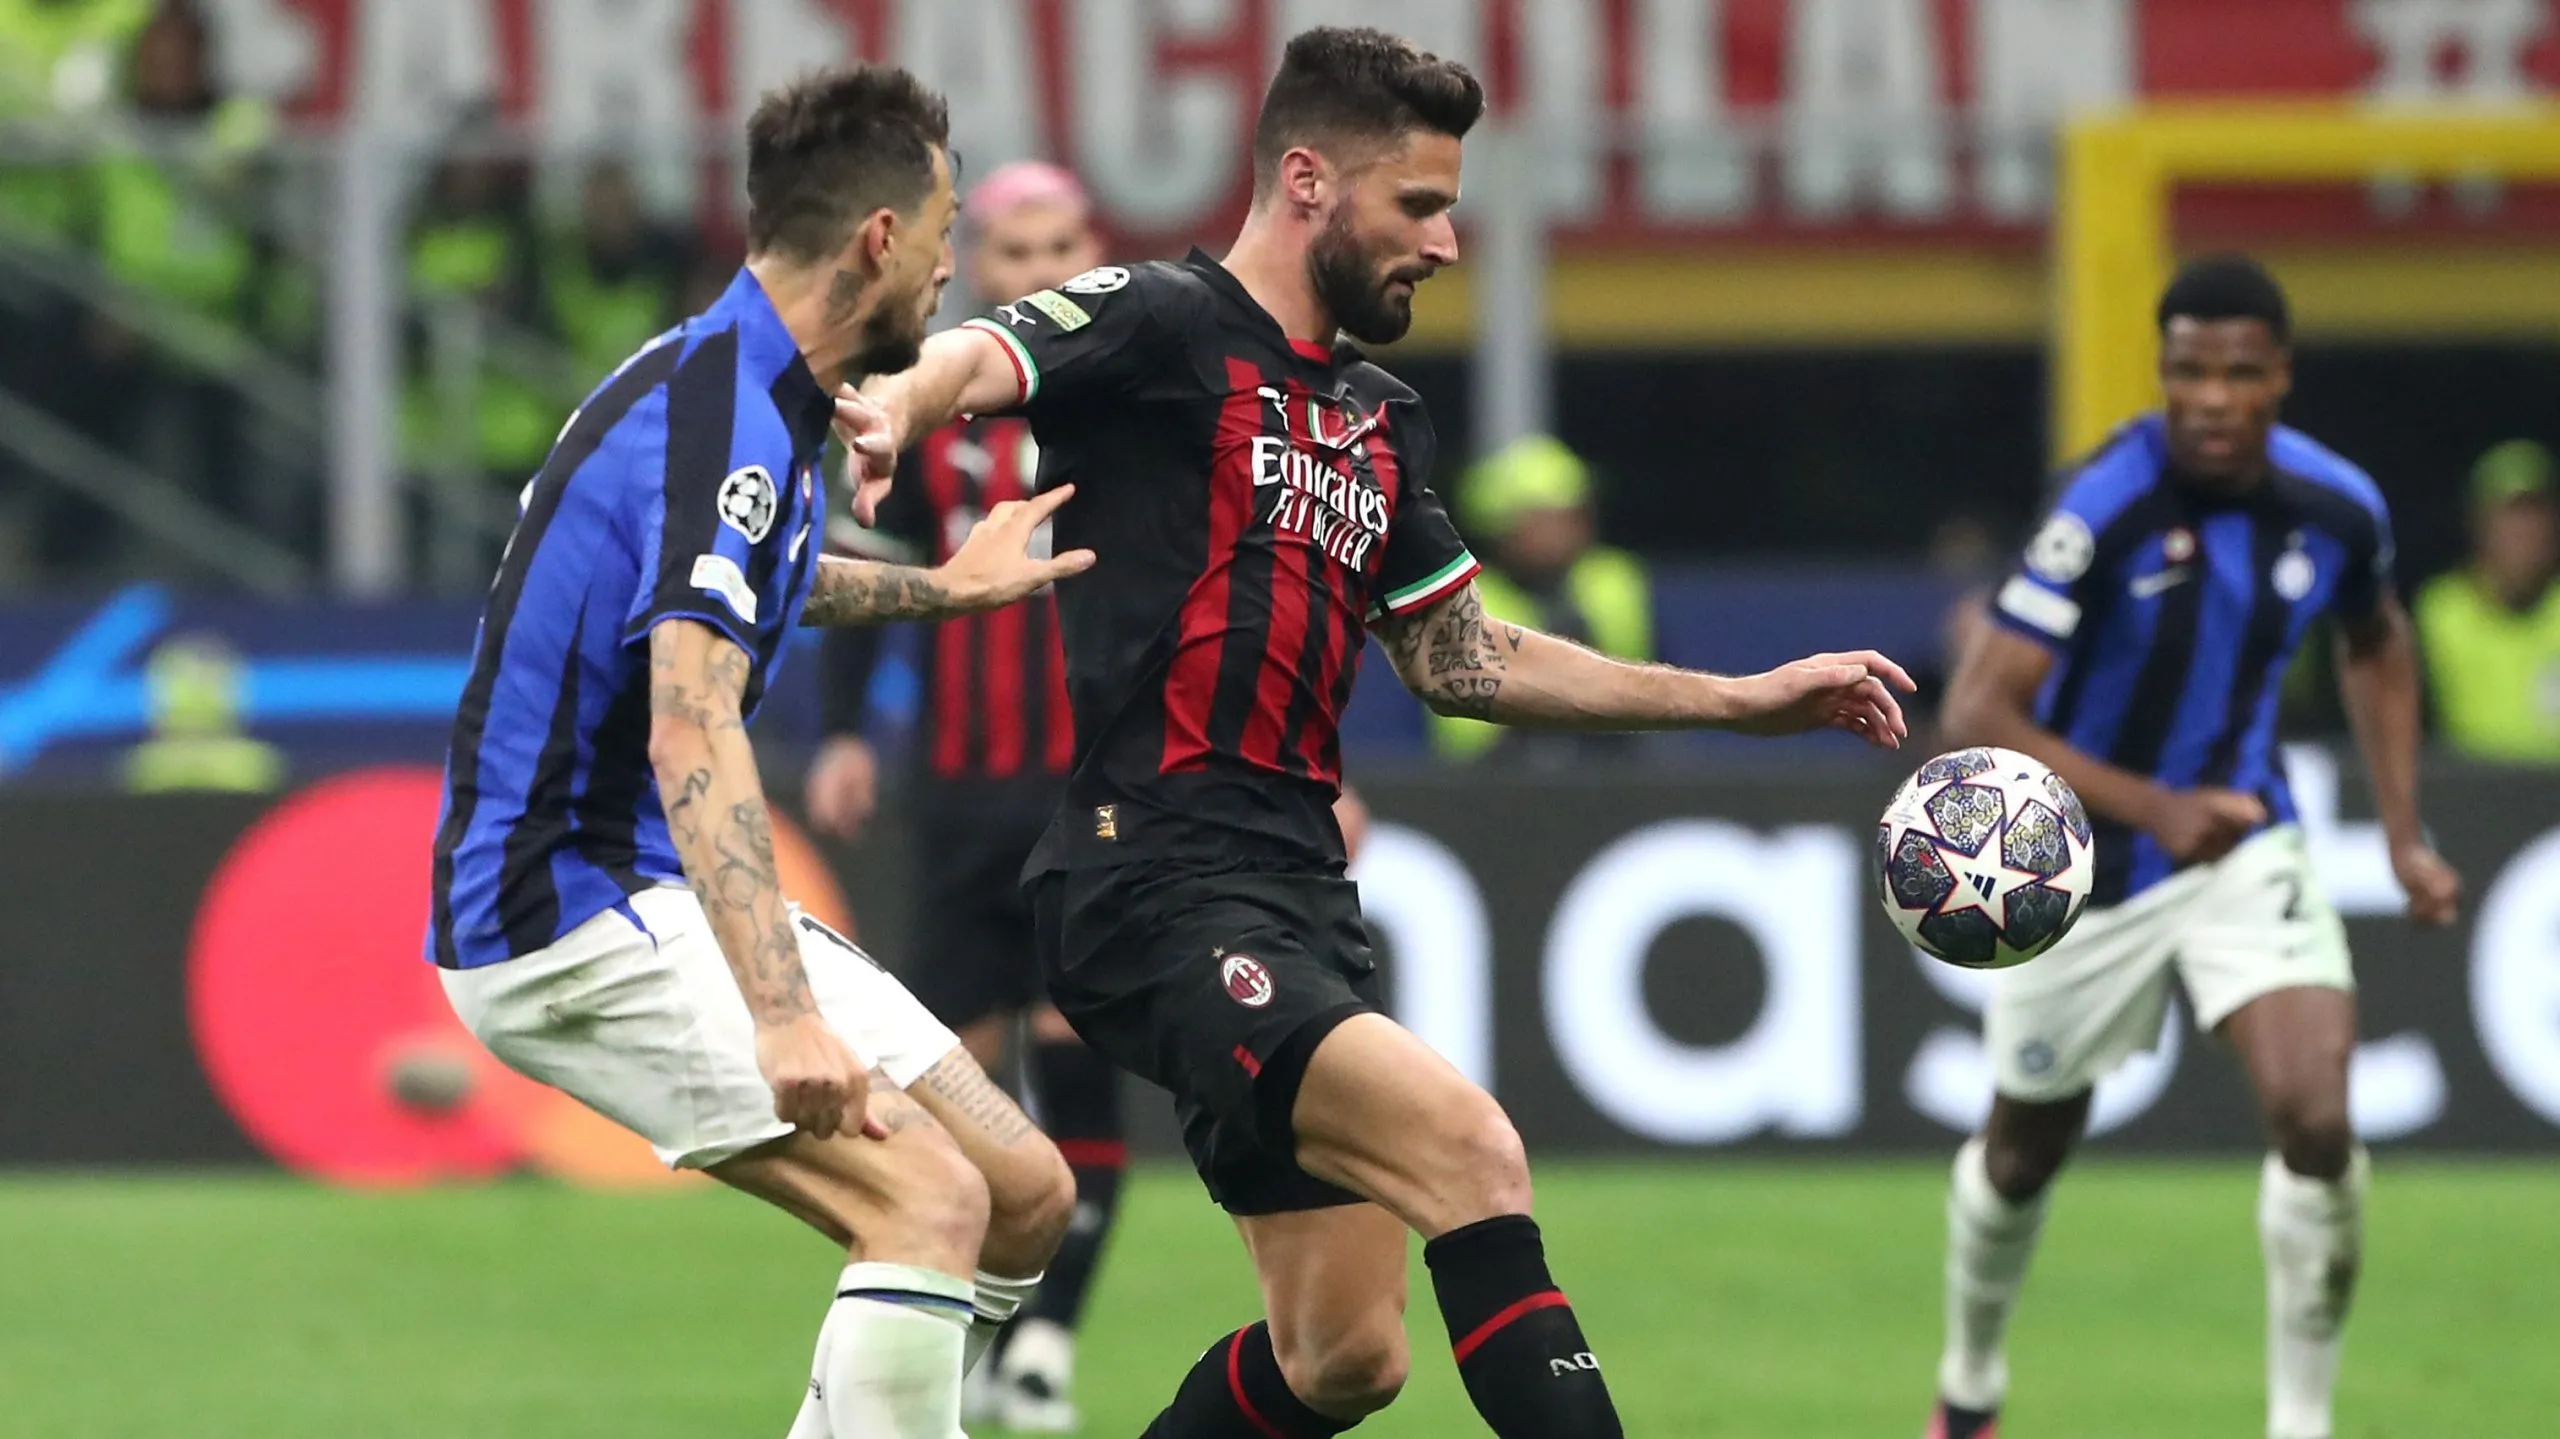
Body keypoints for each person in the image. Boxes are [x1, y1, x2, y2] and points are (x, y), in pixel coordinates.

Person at [847, 27, 1913, 1438]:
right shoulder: (1164, 323)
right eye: (1417, 203)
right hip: (1151, 878)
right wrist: (894, 403)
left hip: (1295, 897)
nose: (1449, 240)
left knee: (1342, 1350)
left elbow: (1461, 657)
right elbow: (987, 351)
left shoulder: (1376, 416)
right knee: (1473, 1148)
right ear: (1307, 182)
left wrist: (1739, 698)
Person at [424, 66, 1097, 1438]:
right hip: (564, 908)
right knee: (929, 1196)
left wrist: (938, 591)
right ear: (880, 242)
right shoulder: (722, 421)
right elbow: (691, 714)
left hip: (642, 884)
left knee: (1021, 1186)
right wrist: (784, 1007)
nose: (955, 261)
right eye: (949, 226)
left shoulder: (752, 393)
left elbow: (767, 576)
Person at [1925, 254, 2464, 1439]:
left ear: (2280, 374)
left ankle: (2299, 1421)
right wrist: (2152, 806)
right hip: (2072, 869)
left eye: (2238, 372)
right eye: (2187, 372)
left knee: (2316, 1118)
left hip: (2239, 841)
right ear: (2161, 373)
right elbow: (1977, 711)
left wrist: (2402, 831)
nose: (2212, 397)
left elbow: (2377, 639)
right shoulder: (2101, 506)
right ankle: (1967, 1386)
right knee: (2022, 1152)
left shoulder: (2337, 506)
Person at [799, 158, 1122, 1432]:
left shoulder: (1141, 403)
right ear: (976, 264)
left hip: (1090, 792)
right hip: (956, 796)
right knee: (958, 1088)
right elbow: (864, 574)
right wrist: (838, 734)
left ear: (1091, 252)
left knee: (1078, 1062)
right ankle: (987, 1329)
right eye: (1014, 252)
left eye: (1059, 249)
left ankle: (1045, 1342)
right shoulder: (930, 409)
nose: (1037, 272)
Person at [1432, 434, 1654, 763]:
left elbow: (1638, 698)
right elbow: (1468, 741)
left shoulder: (1614, 579)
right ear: (1501, 527)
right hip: (1495, 778)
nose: (1566, 531)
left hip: (1610, 764)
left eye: (1573, 514)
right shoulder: (1458, 599)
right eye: (1544, 520)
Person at [2415, 438, 2560, 763]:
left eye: (2536, 518)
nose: (2525, 535)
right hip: (2467, 797)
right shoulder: (2440, 612)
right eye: (2511, 518)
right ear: (2480, 525)